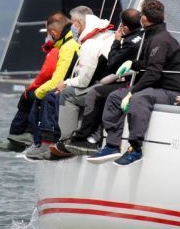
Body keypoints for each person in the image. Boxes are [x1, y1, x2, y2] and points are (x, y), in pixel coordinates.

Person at [89, 0, 180, 167]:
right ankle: (112, 145)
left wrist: (132, 92)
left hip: (171, 91)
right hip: (156, 87)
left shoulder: (160, 39)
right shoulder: (153, 36)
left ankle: (135, 149)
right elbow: (151, 65)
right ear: (163, 16)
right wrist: (133, 64)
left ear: (144, 19)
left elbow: (153, 73)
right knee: (114, 97)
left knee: (139, 98)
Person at [61, 8, 143, 155]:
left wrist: (117, 41)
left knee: (89, 93)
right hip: (129, 79)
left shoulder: (126, 41)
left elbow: (112, 63)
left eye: (73, 23)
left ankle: (77, 139)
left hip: (129, 82)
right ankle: (87, 136)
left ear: (124, 28)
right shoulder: (143, 36)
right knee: (97, 91)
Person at [46, 6, 115, 158]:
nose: (72, 27)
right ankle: (80, 134)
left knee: (67, 95)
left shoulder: (90, 44)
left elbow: (83, 81)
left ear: (79, 23)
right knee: (77, 92)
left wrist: (66, 83)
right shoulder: (107, 34)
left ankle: (66, 141)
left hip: (106, 85)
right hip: (112, 82)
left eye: (73, 24)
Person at [23, 12, 80, 159]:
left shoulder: (68, 47)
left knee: (43, 98)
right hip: (73, 86)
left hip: (70, 88)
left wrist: (36, 93)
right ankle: (38, 142)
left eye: (50, 34)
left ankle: (43, 143)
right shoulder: (71, 42)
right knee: (43, 96)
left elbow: (57, 81)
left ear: (53, 33)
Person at [0, 36, 58, 152]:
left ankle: (23, 135)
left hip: (55, 88)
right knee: (28, 97)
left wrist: (32, 88)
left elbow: (46, 74)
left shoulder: (55, 50)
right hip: (54, 86)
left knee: (29, 97)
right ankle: (17, 138)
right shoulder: (57, 49)